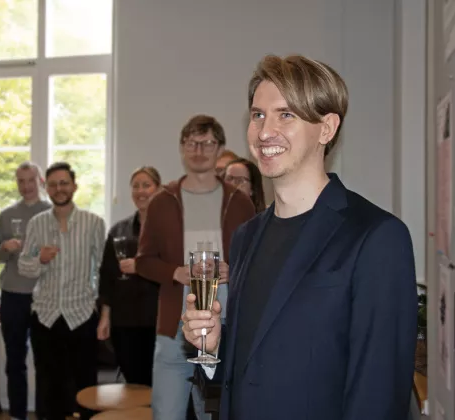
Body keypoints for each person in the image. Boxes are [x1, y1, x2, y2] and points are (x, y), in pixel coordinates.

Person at [181, 54, 418, 420]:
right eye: (258, 114)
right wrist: (212, 348)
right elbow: (256, 357)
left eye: (285, 114)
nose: (264, 131)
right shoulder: (247, 236)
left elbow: (379, 392)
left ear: (327, 128)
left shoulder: (376, 237)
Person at [136, 115, 256, 420]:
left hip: (226, 321)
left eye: (206, 143)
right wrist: (174, 272)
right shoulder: (162, 201)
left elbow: (257, 261)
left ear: (220, 149)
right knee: (166, 413)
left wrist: (236, 270)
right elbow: (143, 261)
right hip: (175, 322)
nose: (198, 149)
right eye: (191, 142)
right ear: (181, 148)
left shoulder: (240, 202)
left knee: (214, 414)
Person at [19, 161, 106, 420]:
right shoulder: (37, 224)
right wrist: (39, 260)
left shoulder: (94, 223)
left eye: (64, 183)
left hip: (81, 315)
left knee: (86, 387)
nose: (59, 188)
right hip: (45, 317)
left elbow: (101, 269)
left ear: (74, 186)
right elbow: (25, 266)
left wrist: (104, 314)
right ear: (47, 189)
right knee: (48, 388)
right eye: (54, 184)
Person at [0, 161, 52, 420]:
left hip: (44, 294)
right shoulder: (6, 215)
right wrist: (5, 248)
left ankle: (45, 414)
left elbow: (62, 254)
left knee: (45, 362)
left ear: (40, 181)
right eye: (20, 181)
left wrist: (41, 253)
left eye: (30, 180)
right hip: (12, 294)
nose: (26, 186)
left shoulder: (52, 212)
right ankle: (17, 414)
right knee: (14, 361)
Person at [97, 166, 162, 386]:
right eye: (136, 186)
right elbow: (107, 277)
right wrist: (105, 317)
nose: (140, 191)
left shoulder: (169, 229)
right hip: (124, 322)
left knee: (158, 384)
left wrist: (142, 267)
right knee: (133, 384)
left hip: (159, 320)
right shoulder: (118, 230)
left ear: (158, 189)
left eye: (146, 185)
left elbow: (175, 270)